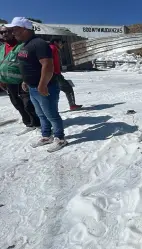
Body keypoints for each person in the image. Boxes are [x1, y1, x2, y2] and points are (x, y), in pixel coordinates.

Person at [5, 17, 67, 151]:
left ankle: (60, 138)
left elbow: (48, 65)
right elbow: (27, 65)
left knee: (51, 114)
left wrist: (43, 85)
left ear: (25, 29)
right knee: (41, 114)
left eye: (15, 29)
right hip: (33, 87)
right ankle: (46, 136)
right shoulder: (25, 44)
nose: (13, 32)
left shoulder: (39, 43)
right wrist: (25, 81)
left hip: (46, 87)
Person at [0, 25, 41, 134]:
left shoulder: (22, 45)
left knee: (28, 103)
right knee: (16, 103)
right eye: (1, 32)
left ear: (12, 32)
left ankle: (37, 123)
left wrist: (26, 79)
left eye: (6, 31)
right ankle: (28, 123)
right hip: (8, 81)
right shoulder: (1, 48)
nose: (4, 34)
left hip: (23, 81)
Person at [49, 38, 82, 111]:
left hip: (54, 74)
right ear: (55, 42)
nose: (62, 45)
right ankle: (72, 105)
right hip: (55, 75)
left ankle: (52, 109)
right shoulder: (52, 48)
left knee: (54, 91)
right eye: (61, 42)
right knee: (67, 88)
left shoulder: (54, 49)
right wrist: (54, 72)